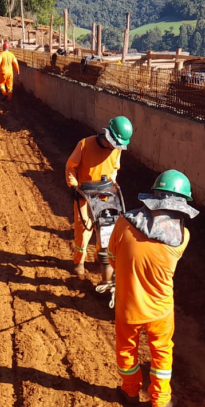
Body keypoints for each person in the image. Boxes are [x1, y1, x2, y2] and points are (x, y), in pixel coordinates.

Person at [108, 170, 198, 407]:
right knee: (162, 353)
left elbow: (113, 260)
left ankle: (129, 392)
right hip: (161, 310)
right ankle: (160, 401)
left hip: (128, 306)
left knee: (126, 349)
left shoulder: (123, 222)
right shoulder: (183, 238)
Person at [65, 116, 133, 283]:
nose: (116, 147)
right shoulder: (85, 144)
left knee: (106, 227)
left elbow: (115, 168)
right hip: (85, 193)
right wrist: (73, 186)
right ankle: (79, 262)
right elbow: (70, 166)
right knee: (84, 228)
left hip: (106, 192)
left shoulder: (116, 149)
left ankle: (101, 256)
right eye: (115, 143)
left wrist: (113, 184)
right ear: (108, 136)